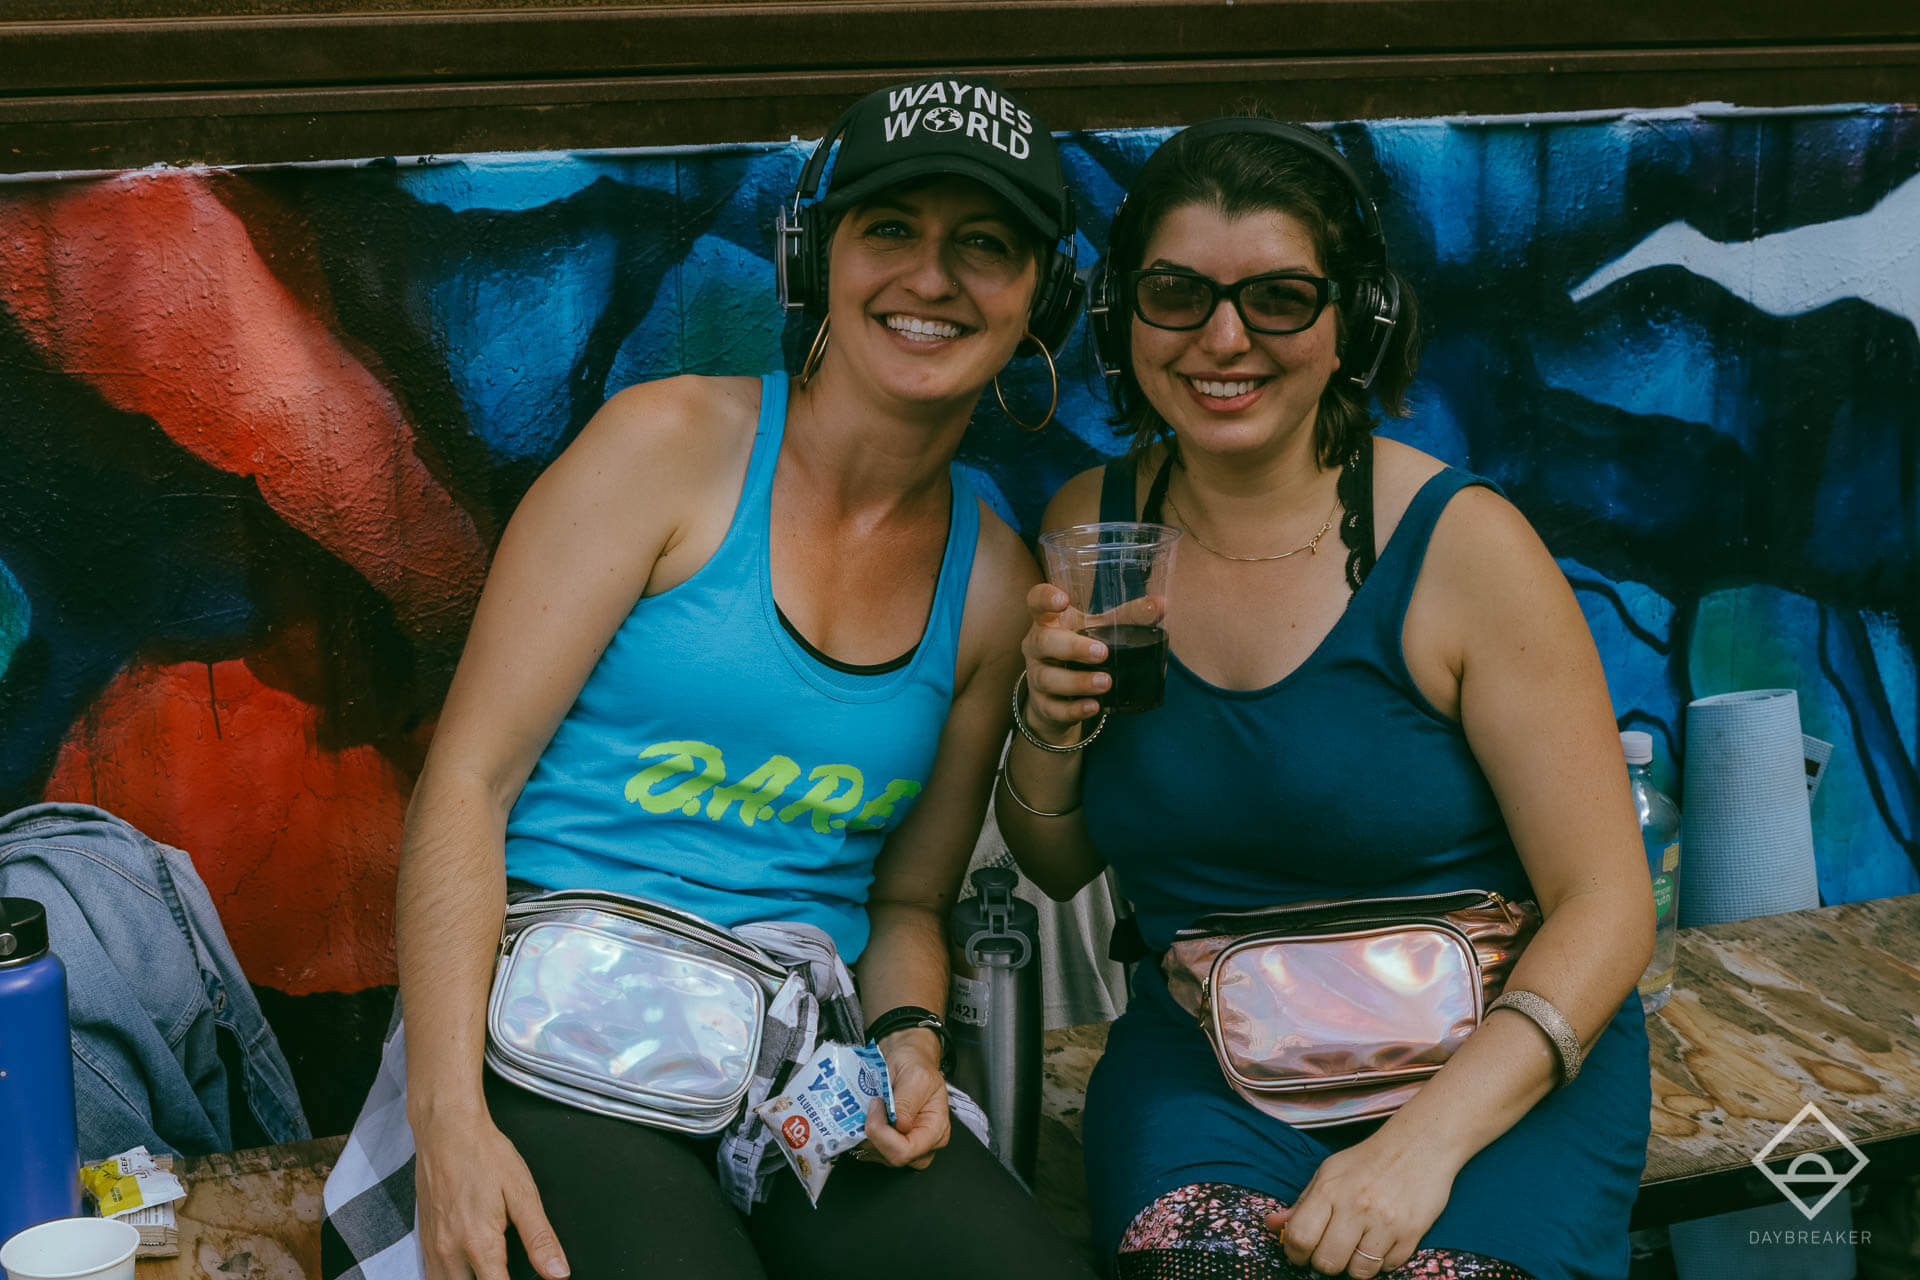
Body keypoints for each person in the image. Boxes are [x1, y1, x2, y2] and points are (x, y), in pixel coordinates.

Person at [321, 77, 1098, 1280]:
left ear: (1042, 296)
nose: (932, 278)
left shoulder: (995, 584)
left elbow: (906, 902)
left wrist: (910, 1038)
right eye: (891, 228)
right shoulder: (666, 448)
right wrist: (449, 1121)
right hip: (559, 1037)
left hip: (801, 1069)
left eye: (985, 244)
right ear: (814, 256)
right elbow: (469, 783)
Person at [999, 119, 1655, 1280]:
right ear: (1119, 317)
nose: (1224, 338)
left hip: (1486, 1073)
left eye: (1279, 298)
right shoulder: (1092, 528)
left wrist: (1419, 1149)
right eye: (1176, 293)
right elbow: (1057, 864)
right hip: (1212, 1070)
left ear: (1358, 320)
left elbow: (1607, 905)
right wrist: (1046, 730)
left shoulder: (1464, 547)